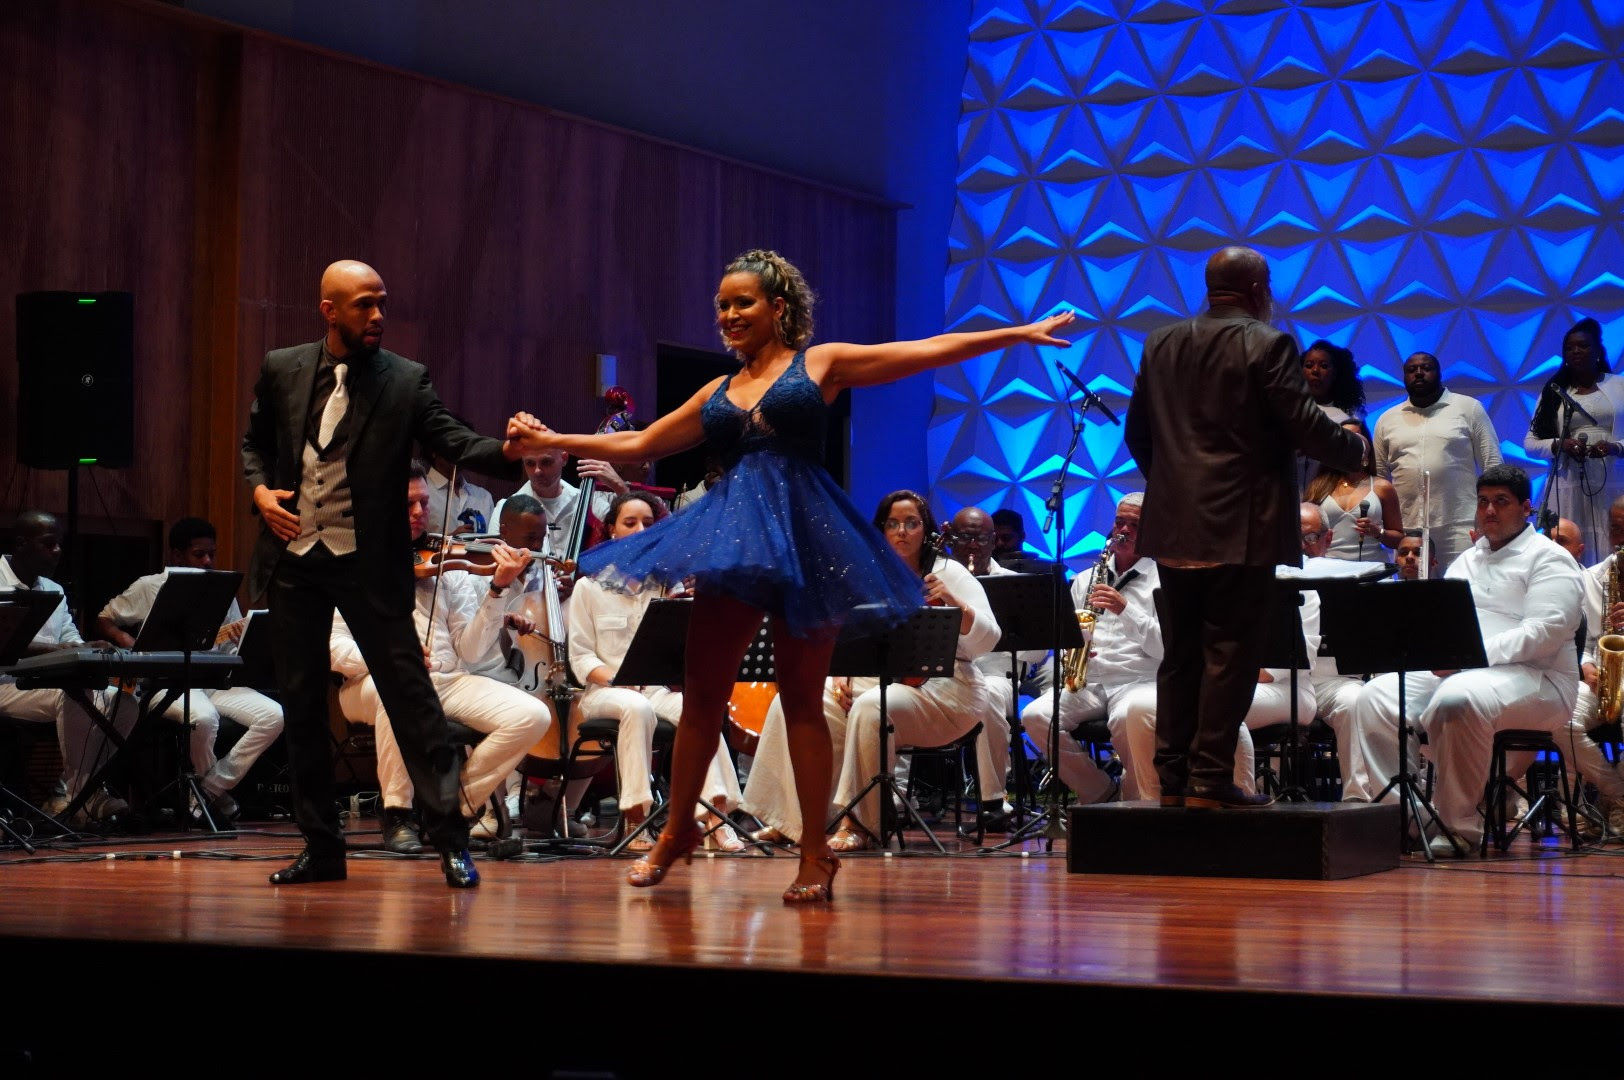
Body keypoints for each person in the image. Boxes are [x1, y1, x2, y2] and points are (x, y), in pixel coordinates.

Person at [509, 248, 1075, 901]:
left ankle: (815, 853)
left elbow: (922, 350)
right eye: (721, 305)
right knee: (700, 694)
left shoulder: (822, 363)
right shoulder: (717, 391)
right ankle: (677, 833)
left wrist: (1018, 333)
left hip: (805, 541)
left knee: (803, 699)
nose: (728, 315)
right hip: (735, 542)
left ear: (778, 306)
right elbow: (640, 444)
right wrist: (555, 439)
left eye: (741, 302)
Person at [240, 259, 526, 888]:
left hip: (367, 565)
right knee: (302, 708)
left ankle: (451, 838)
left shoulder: (403, 380)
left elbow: (455, 441)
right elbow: (254, 445)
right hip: (295, 561)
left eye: (382, 304)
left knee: (415, 704)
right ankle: (322, 846)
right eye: (363, 305)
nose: (377, 316)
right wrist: (261, 493)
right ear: (329, 310)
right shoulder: (284, 367)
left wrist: (508, 452)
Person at [1124, 245, 1364, 809]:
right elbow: (1303, 424)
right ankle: (1210, 779)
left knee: (1180, 654)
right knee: (1230, 651)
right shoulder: (1268, 341)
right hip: (1240, 527)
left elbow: (1138, 432)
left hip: (1175, 526)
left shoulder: (1161, 341)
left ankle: (1173, 781)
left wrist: (1177, 487)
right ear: (1259, 290)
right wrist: (1354, 450)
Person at [1348, 465, 1582, 854]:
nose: (1489, 510)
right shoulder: (1468, 561)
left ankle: (1458, 828)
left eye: (1501, 502)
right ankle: (1405, 819)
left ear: (1526, 508)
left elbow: (1544, 633)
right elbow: (1444, 622)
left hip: (1541, 681)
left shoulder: (1550, 559)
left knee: (1457, 697)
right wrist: (1436, 652)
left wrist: (1466, 659)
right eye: (1484, 502)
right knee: (1374, 697)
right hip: (1466, 670)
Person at [330, 466, 548, 851]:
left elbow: (470, 650)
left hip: (446, 679)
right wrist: (391, 656)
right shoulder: (350, 563)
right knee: (398, 688)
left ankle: (454, 805)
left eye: (424, 502)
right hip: (369, 684)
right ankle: (398, 812)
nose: (419, 511)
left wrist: (496, 591)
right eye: (408, 503)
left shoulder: (445, 561)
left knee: (532, 715)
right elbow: (332, 647)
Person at [567, 491, 743, 851]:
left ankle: (714, 816)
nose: (640, 530)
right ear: (612, 531)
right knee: (636, 707)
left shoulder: (667, 585)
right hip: (605, 692)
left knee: (700, 710)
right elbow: (581, 658)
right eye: (630, 523)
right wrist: (620, 680)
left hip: (656, 690)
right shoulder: (589, 587)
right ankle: (636, 817)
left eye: (648, 524)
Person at [94, 516, 284, 822]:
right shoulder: (149, 586)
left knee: (274, 716)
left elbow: (228, 649)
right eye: (200, 554)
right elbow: (105, 618)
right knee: (204, 718)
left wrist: (242, 641)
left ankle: (208, 790)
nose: (208, 561)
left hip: (212, 681)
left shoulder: (222, 589)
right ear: (177, 555)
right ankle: (203, 802)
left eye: (212, 553)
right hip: (163, 684)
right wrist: (130, 641)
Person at [1019, 492, 1155, 804]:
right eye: (1120, 522)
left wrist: (1126, 610)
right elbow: (1075, 631)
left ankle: (1142, 803)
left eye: (1134, 524)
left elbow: (1167, 647)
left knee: (1129, 717)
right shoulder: (1086, 578)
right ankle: (1101, 792)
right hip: (1092, 681)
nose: (1123, 530)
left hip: (1140, 681)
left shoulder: (1163, 581)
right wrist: (1074, 650)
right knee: (1036, 716)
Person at [0, 510, 129, 824]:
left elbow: (69, 637)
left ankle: (70, 793)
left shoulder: (54, 591)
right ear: (21, 544)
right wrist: (59, 648)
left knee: (125, 704)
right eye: (49, 544)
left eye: (59, 544)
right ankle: (83, 797)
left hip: (46, 686)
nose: (57, 551)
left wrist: (88, 647)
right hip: (5, 686)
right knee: (74, 696)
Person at [1373, 351, 1502, 571]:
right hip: (1407, 529)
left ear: (1440, 373)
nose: (1419, 374)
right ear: (1404, 377)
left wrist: (1488, 519)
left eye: (1426, 368)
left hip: (1460, 526)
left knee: (1461, 593)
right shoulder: (1387, 419)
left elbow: (1493, 465)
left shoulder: (1468, 409)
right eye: (1411, 370)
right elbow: (1377, 479)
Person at [1523, 318, 1624, 566]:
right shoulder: (1555, 391)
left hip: (1612, 479)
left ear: (1598, 350)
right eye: (1570, 347)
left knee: (1611, 535)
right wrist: (1559, 444)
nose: (1576, 351)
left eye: (1583, 346)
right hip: (1566, 481)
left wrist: (1615, 447)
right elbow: (1530, 443)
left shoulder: (1619, 385)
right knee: (1568, 538)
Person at [1303, 419, 1403, 565]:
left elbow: (1399, 540)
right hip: (1329, 570)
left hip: (1372, 569)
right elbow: (1304, 533)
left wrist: (1378, 532)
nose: (1348, 444)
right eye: (1343, 438)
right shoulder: (1318, 487)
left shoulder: (1382, 487)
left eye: (1354, 438)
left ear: (1366, 447)